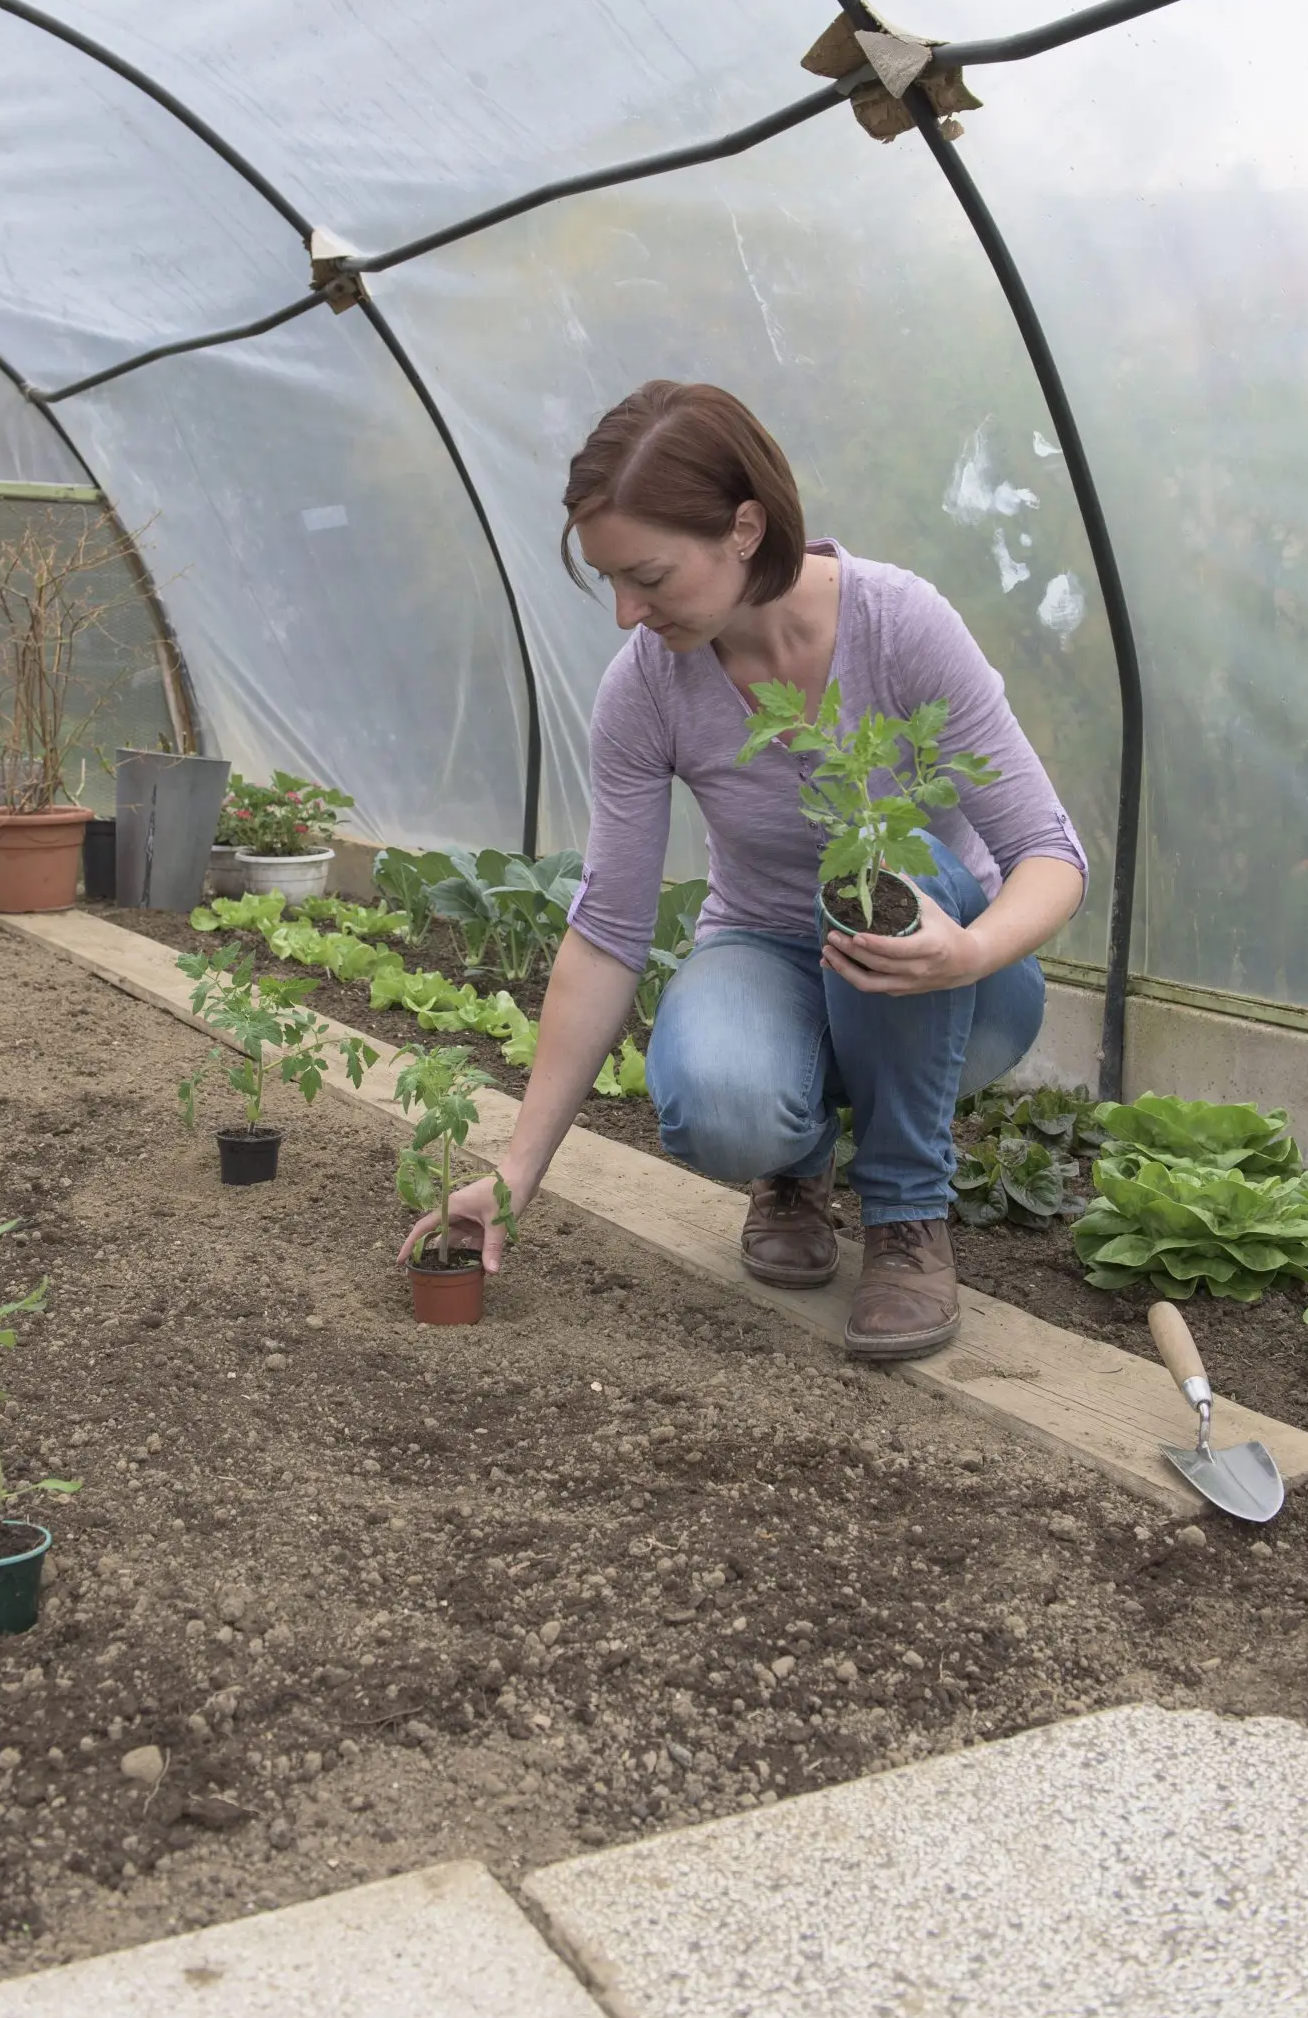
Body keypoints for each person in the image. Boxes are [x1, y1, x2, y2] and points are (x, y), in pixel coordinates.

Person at [397, 380, 1087, 1358]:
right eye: (610, 583)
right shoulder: (646, 688)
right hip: (764, 944)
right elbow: (606, 932)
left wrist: (968, 950)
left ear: (744, 527)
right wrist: (513, 1172)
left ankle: (904, 1216)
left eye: (648, 576)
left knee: (891, 864)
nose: (627, 613)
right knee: (714, 1100)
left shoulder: (900, 626)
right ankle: (793, 1166)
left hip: (959, 981)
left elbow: (1050, 856)